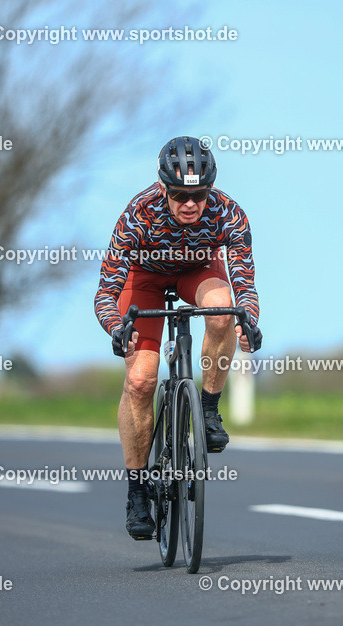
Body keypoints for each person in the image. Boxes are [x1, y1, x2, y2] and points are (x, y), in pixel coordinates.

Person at [94, 136, 262, 540]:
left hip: (197, 270)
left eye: (199, 195)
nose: (190, 204)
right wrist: (116, 329)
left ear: (211, 190)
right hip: (144, 280)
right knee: (140, 381)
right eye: (179, 195)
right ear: (162, 187)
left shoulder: (228, 214)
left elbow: (245, 284)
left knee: (223, 310)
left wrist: (250, 321)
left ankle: (207, 408)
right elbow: (106, 291)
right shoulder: (138, 212)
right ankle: (137, 490)